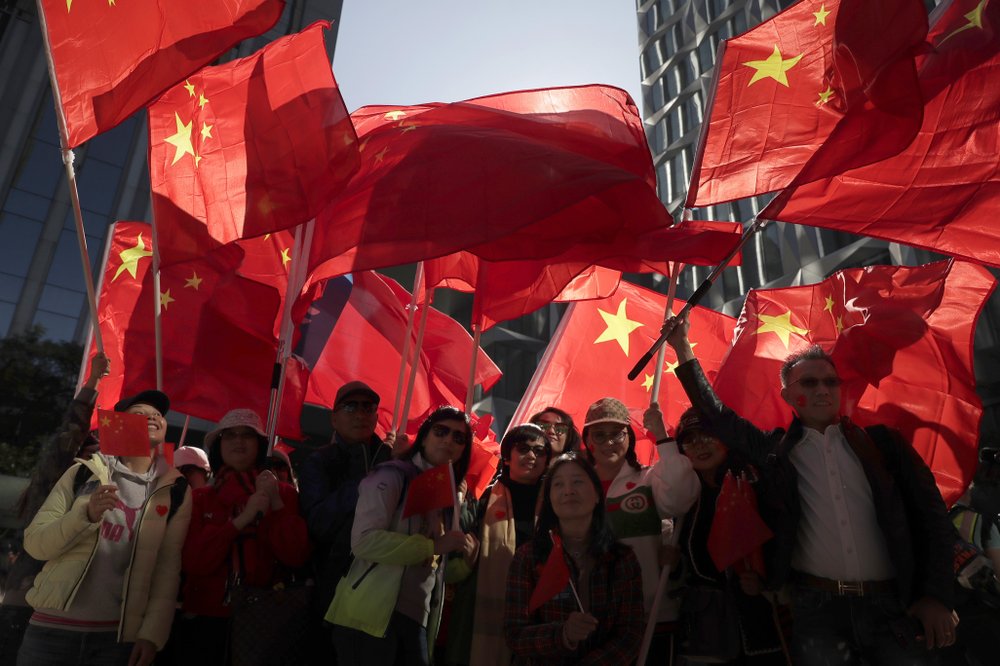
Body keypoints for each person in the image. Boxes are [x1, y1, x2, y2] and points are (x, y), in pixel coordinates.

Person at [665, 314, 958, 664]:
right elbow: (716, 416)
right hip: (817, 613)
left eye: (830, 382)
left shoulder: (884, 446)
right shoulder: (775, 453)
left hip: (893, 608)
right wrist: (682, 345)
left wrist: (937, 596)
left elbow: (934, 520)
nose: (821, 389)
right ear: (788, 394)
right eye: (809, 383)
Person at [17, 388, 192, 666]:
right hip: (51, 630)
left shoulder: (176, 490)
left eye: (158, 415)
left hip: (116, 640)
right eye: (140, 414)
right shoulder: (83, 472)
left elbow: (167, 569)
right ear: (119, 423)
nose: (153, 417)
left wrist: (151, 635)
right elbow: (36, 544)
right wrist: (84, 514)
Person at [327, 406, 479, 665]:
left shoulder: (444, 498)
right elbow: (364, 541)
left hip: (414, 620)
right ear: (424, 436)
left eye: (458, 437)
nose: (448, 440)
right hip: (369, 618)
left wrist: (465, 563)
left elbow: (431, 570)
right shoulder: (392, 474)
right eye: (441, 431)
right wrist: (431, 545)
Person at [174, 408, 309, 665]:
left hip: (264, 617)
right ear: (218, 446)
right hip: (205, 618)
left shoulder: (283, 494)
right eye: (230, 435)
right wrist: (241, 520)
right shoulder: (201, 497)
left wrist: (277, 503)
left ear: (259, 445)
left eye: (247, 435)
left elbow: (295, 555)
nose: (238, 441)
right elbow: (195, 561)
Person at [0, 352, 108, 662]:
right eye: (92, 452)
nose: (97, 462)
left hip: (72, 612)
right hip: (26, 601)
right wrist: (93, 381)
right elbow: (69, 432)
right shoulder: (57, 476)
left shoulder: (106, 486)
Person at [581, 396, 700, 662]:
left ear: (630, 438)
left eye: (617, 433)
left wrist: (662, 436)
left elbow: (681, 498)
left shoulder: (649, 478)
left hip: (652, 615)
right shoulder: (575, 485)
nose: (609, 441)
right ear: (588, 441)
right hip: (592, 617)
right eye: (599, 435)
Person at [504, 453, 644, 664]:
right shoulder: (529, 557)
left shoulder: (621, 558)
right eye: (558, 485)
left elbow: (631, 633)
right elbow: (515, 634)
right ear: (549, 499)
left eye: (578, 481)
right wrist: (563, 634)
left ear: (597, 494)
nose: (568, 491)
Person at [673, 408, 786, 664]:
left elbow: (783, 538)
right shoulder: (683, 496)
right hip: (709, 629)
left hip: (761, 621)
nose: (701, 446)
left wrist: (765, 581)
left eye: (708, 435)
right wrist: (673, 563)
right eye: (690, 440)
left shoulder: (753, 480)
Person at [456, 424, 552, 665]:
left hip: (542, 611)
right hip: (486, 606)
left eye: (540, 452)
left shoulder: (557, 501)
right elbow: (459, 539)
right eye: (524, 449)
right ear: (507, 458)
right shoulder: (483, 498)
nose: (532, 456)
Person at [299, 381, 393, 620]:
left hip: (385, 586)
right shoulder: (319, 461)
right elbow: (318, 523)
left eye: (368, 407)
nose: (360, 414)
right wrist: (365, 483)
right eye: (350, 407)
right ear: (334, 419)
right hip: (332, 584)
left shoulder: (392, 462)